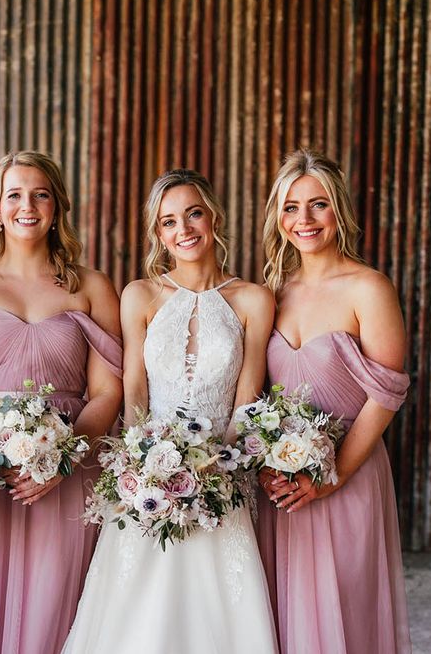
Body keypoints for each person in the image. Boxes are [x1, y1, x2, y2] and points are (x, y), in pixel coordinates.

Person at [62, 169, 278, 653]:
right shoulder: (140, 294)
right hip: (146, 477)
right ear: (158, 234)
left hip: (223, 475)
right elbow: (134, 390)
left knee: (215, 608)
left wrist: (218, 470)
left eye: (193, 213)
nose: (184, 229)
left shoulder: (253, 300)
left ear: (213, 216)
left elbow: (248, 396)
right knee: (140, 606)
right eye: (168, 221)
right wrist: (142, 465)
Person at [0, 151, 123, 654]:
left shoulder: (91, 287)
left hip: (66, 478)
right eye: (14, 194)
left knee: (55, 612)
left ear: (57, 206)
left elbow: (107, 392)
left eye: (40, 194)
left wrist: (61, 457)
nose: (26, 206)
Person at [257, 148, 411, 653]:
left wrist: (331, 476)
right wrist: (265, 463)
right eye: (291, 207)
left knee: (346, 613)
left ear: (338, 210)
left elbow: (385, 394)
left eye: (318, 204)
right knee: (281, 616)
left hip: (349, 475)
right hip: (279, 482)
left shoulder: (369, 288)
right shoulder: (273, 290)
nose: (304, 220)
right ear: (278, 217)